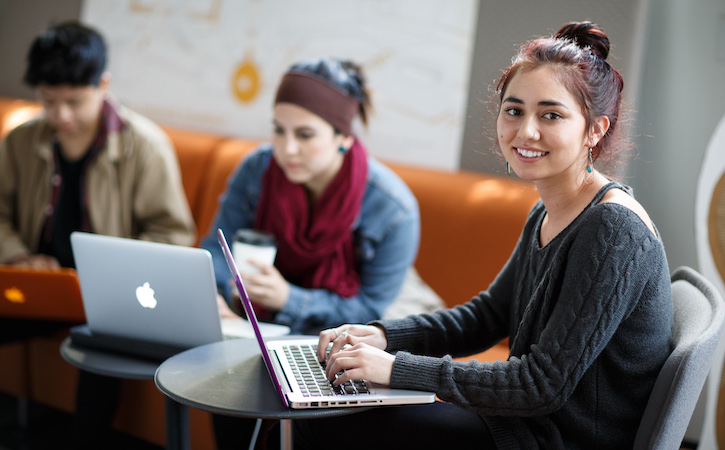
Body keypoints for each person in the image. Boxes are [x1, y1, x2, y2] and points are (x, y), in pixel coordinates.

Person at [296, 21, 673, 449]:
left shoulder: (612, 231)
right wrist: (383, 336)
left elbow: (540, 384)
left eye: (551, 114)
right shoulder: (551, 209)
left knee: (327, 418)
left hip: (554, 438)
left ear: (595, 129)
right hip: (525, 423)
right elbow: (487, 317)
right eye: (514, 110)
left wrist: (395, 368)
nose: (526, 131)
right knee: (333, 404)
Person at [200, 57, 426, 448]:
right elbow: (214, 252)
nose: (287, 149)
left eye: (305, 135)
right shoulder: (256, 170)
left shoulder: (392, 209)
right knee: (227, 380)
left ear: (343, 137)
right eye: (278, 130)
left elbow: (371, 308)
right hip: (259, 324)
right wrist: (220, 291)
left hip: (340, 334)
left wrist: (290, 298)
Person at [0, 21, 196, 448]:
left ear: (102, 84)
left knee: (103, 354)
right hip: (37, 290)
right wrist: (17, 257)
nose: (61, 116)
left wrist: (116, 275)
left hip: (112, 303)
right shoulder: (20, 141)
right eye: (49, 102)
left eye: (74, 101)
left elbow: (173, 236)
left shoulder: (144, 147)